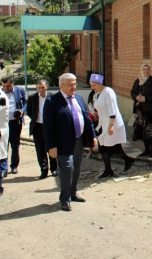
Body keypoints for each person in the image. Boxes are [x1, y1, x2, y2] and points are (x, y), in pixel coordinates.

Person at [43, 73, 97, 212]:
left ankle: (73, 193)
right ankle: (65, 199)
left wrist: (93, 136)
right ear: (61, 86)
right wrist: (51, 146)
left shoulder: (78, 98)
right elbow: (48, 127)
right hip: (62, 143)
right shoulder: (52, 102)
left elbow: (87, 119)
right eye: (70, 85)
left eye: (74, 84)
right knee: (67, 169)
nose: (73, 87)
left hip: (79, 140)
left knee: (77, 168)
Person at [89, 74, 134, 178]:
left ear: (100, 83)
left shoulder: (108, 92)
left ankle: (128, 160)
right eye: (91, 85)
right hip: (103, 123)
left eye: (94, 85)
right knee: (103, 147)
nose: (92, 88)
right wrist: (96, 114)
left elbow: (112, 110)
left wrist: (111, 126)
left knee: (114, 146)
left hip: (112, 123)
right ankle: (108, 169)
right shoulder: (97, 94)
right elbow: (100, 107)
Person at [26, 79, 57, 179]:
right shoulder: (32, 98)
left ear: (47, 87)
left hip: (50, 127)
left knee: (51, 147)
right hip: (38, 127)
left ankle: (54, 168)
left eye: (43, 87)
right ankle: (44, 170)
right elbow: (29, 111)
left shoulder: (52, 97)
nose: (41, 89)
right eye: (39, 87)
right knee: (40, 149)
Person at [130, 64, 152, 157]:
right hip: (140, 110)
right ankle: (146, 150)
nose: (145, 71)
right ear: (141, 70)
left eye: (147, 69)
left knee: (151, 131)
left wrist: (146, 99)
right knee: (143, 131)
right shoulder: (137, 81)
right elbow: (132, 92)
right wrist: (136, 97)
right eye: (143, 69)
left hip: (150, 110)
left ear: (150, 71)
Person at [1, 75, 27, 175]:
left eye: (8, 86)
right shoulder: (0, 93)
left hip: (15, 122)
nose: (6, 88)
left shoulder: (20, 90)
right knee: (4, 145)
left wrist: (22, 111)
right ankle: (4, 168)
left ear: (12, 83)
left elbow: (26, 103)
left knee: (15, 145)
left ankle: (14, 166)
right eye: (4, 86)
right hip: (3, 123)